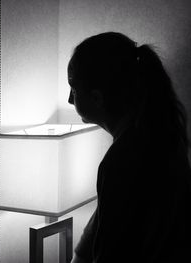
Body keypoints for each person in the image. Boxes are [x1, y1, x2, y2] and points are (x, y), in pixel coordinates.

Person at [67, 32, 191, 262]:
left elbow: (112, 253)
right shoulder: (161, 139)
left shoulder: (122, 160)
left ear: (97, 98)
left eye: (73, 90)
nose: (70, 100)